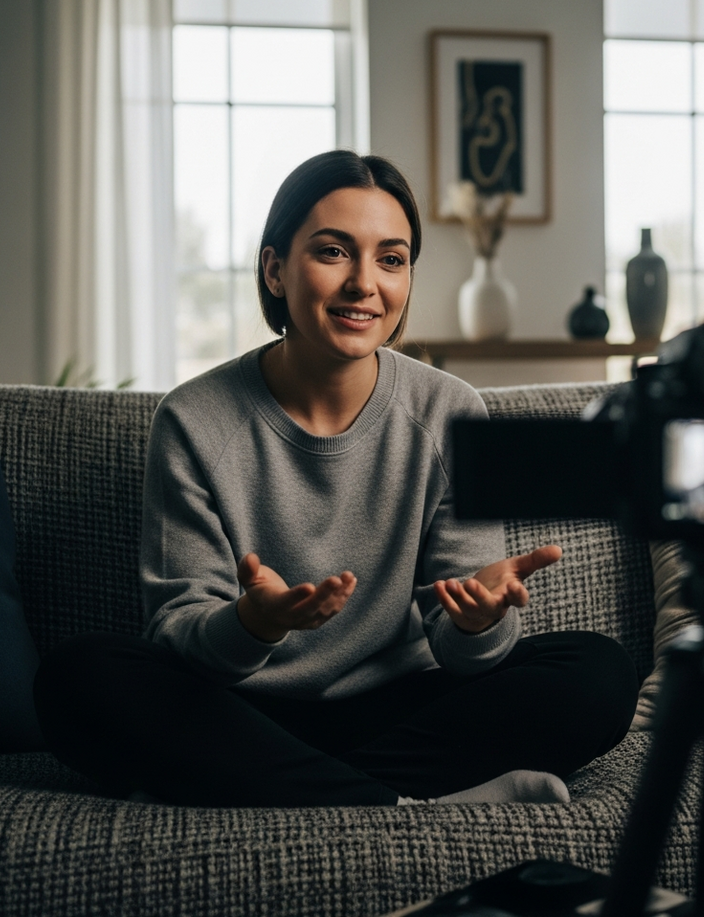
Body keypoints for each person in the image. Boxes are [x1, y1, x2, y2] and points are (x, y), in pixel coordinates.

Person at [34, 150, 638, 808]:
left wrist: (475, 623)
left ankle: (278, 789)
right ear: (274, 269)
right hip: (246, 710)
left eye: (391, 258)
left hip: (402, 707)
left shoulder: (448, 410)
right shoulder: (195, 417)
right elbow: (182, 633)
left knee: (599, 671)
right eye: (332, 252)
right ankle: (406, 804)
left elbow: (465, 652)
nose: (364, 283)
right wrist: (252, 622)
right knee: (77, 679)